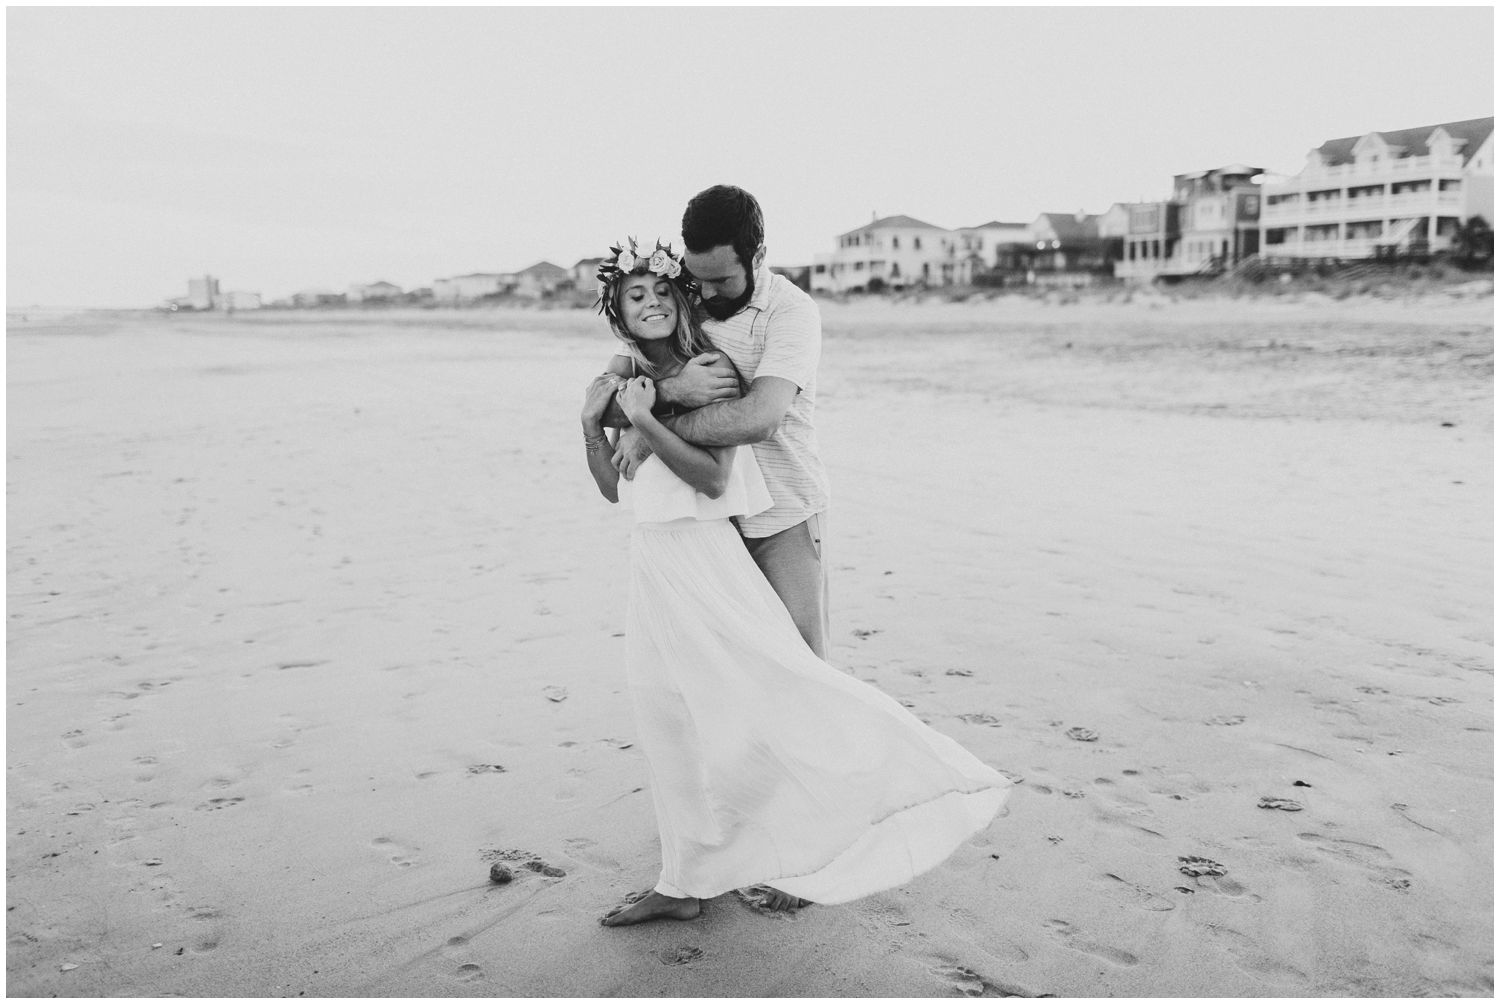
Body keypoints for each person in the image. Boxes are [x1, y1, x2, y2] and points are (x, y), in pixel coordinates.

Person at [581, 237, 1013, 928]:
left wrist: (643, 415)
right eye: (643, 294)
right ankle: (688, 875)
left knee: (794, 683)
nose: (663, 299)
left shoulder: (743, 342)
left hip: (748, 534)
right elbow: (607, 460)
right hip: (653, 566)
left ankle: (839, 836)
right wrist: (596, 417)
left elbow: (732, 450)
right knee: (669, 714)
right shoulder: (624, 371)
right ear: (619, 311)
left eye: (667, 290)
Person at [605, 185, 831, 661]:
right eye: (695, 278)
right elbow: (606, 400)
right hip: (708, 525)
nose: (704, 293)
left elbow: (759, 419)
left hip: (782, 517)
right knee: (731, 668)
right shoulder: (686, 297)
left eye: (721, 281)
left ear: (759, 255)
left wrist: (651, 432)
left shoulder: (791, 313)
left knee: (801, 664)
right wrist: (670, 394)